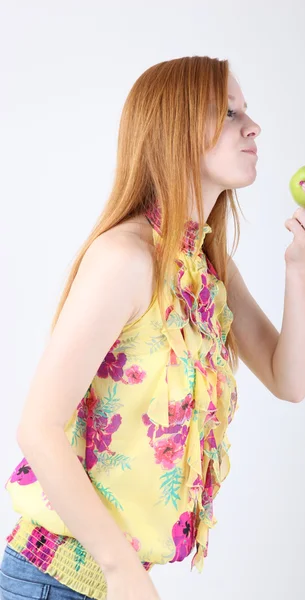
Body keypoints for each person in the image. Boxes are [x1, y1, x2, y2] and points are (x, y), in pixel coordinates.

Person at [0, 55, 261, 600]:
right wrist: (123, 575)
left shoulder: (203, 266)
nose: (252, 126)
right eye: (229, 112)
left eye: (246, 111)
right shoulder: (125, 257)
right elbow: (38, 428)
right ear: (176, 128)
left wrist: (301, 260)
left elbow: (290, 379)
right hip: (59, 581)